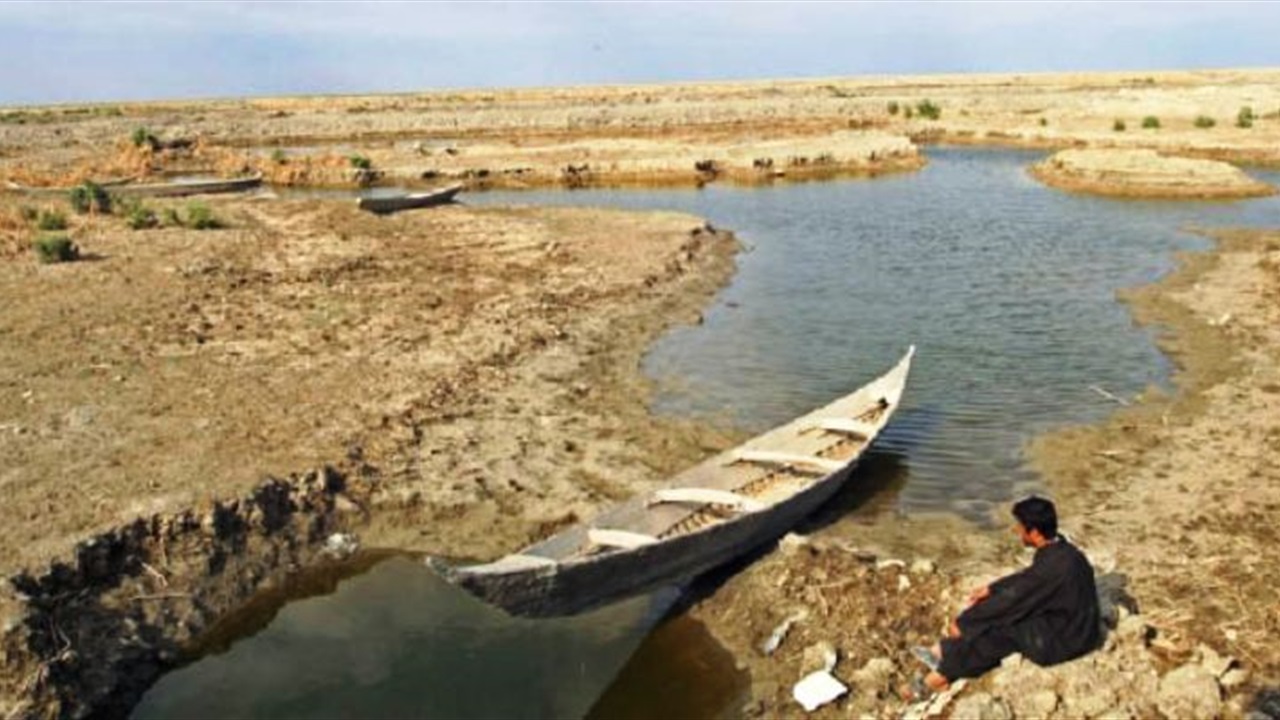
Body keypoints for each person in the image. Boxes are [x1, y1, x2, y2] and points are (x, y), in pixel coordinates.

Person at [916, 496, 1101, 693]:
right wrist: (992, 588)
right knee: (1005, 617)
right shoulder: (1063, 550)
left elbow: (1014, 598)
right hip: (1081, 628)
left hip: (1068, 640)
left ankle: (942, 674)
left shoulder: (1051, 568)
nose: (1017, 531)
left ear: (1035, 532)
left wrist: (966, 622)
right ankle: (945, 654)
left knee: (1003, 629)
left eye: (1021, 527)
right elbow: (1028, 579)